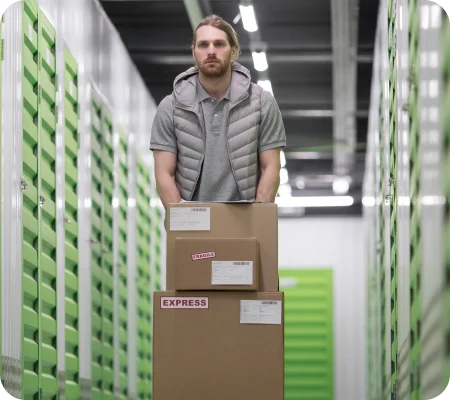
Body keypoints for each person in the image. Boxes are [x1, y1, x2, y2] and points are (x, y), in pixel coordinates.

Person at [150, 14, 286, 209]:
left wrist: (258, 218)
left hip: (246, 219)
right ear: (194, 52)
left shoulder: (262, 103)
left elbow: (271, 168)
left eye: (219, 44)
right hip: (192, 223)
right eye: (203, 45)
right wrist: (182, 220)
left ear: (234, 51)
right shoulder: (170, 107)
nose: (211, 51)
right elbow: (164, 174)